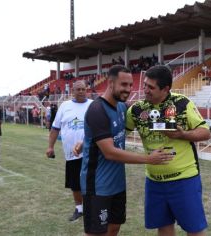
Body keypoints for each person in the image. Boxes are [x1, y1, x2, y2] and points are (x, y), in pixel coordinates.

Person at [79, 65, 172, 236]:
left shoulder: (123, 108)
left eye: (130, 85)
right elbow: (110, 152)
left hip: (117, 184)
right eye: (123, 85)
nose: (128, 89)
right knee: (96, 232)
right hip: (98, 186)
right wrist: (148, 159)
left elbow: (144, 111)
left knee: (114, 228)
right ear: (111, 83)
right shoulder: (97, 110)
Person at [126, 65, 211, 236]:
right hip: (154, 181)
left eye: (151, 87)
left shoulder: (182, 103)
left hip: (184, 179)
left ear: (165, 89)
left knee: (194, 229)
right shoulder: (136, 110)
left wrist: (182, 134)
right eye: (145, 85)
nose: (145, 90)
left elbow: (205, 132)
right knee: (163, 227)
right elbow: (119, 134)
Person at [46, 81, 93, 222]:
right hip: (71, 154)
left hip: (90, 153)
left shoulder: (93, 105)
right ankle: (79, 209)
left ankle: (92, 208)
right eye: (78, 89)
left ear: (87, 90)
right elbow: (55, 128)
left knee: (91, 182)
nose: (81, 91)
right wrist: (50, 147)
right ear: (72, 91)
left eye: (83, 89)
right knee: (75, 183)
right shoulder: (65, 106)